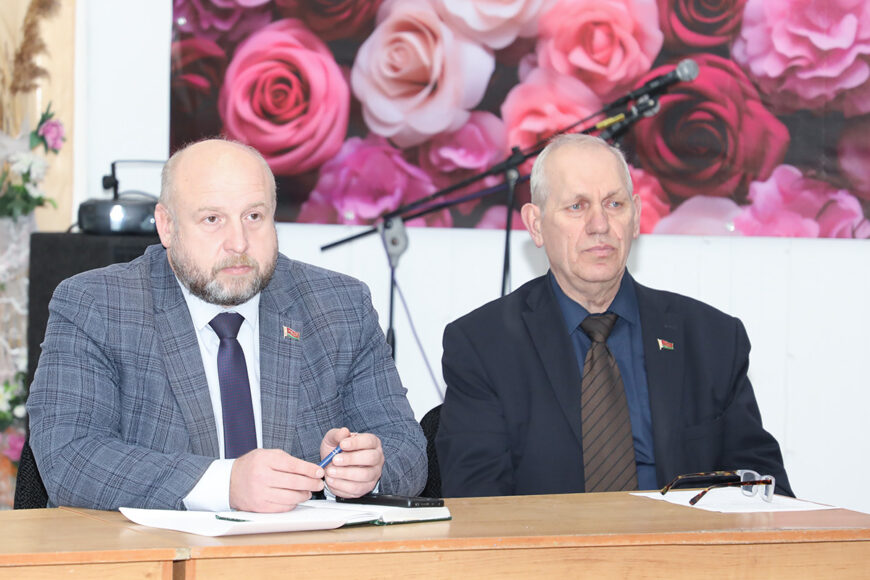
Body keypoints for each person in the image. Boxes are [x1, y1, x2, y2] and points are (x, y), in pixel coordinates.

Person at [28, 139, 426, 512]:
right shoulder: (97, 305)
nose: (239, 242)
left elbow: (407, 449)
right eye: (212, 219)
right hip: (155, 552)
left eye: (254, 216)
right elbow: (69, 457)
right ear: (167, 226)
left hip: (301, 551)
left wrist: (366, 471)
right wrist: (226, 484)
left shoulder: (339, 305)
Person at [436, 133, 791, 498]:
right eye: (577, 206)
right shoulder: (483, 346)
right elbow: (476, 504)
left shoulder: (711, 339)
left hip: (680, 534)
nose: (599, 224)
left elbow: (765, 490)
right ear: (536, 224)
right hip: (549, 535)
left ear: (635, 216)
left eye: (614, 204)